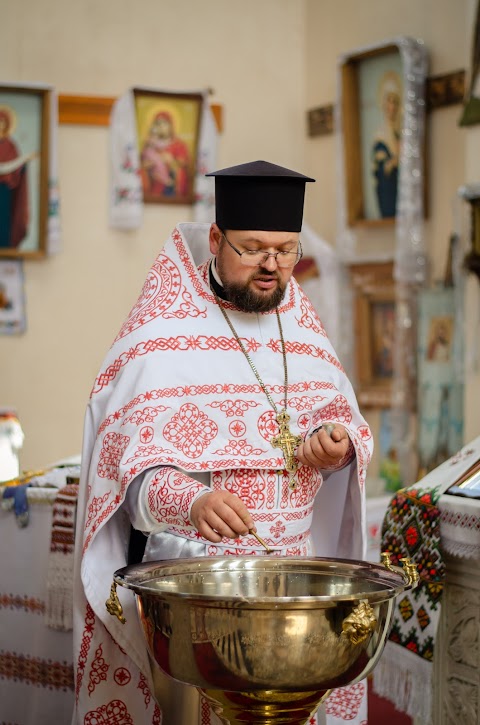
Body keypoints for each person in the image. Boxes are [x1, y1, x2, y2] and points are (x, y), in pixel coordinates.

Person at [72, 160, 373, 725]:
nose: (272, 267)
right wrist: (191, 502)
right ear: (215, 238)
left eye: (286, 251)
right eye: (254, 248)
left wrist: (334, 446)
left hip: (292, 589)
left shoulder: (301, 325)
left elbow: (339, 423)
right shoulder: (161, 334)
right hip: (195, 592)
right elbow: (123, 477)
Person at [0, 106, 36, 248]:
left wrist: (23, 164)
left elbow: (15, 170)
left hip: (5, 194)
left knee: (4, 222)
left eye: (2, 123)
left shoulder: (11, 146)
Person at [371, 71, 402, 218]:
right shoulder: (380, 134)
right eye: (389, 101)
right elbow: (381, 168)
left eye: (395, 102)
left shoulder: (399, 132)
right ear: (383, 104)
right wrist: (395, 161)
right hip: (388, 189)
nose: (392, 107)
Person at [140, 110, 191, 200]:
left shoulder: (179, 145)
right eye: (158, 124)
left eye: (164, 123)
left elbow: (185, 165)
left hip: (172, 186)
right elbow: (141, 163)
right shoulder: (149, 144)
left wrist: (171, 160)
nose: (161, 127)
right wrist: (148, 164)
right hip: (154, 185)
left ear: (171, 125)